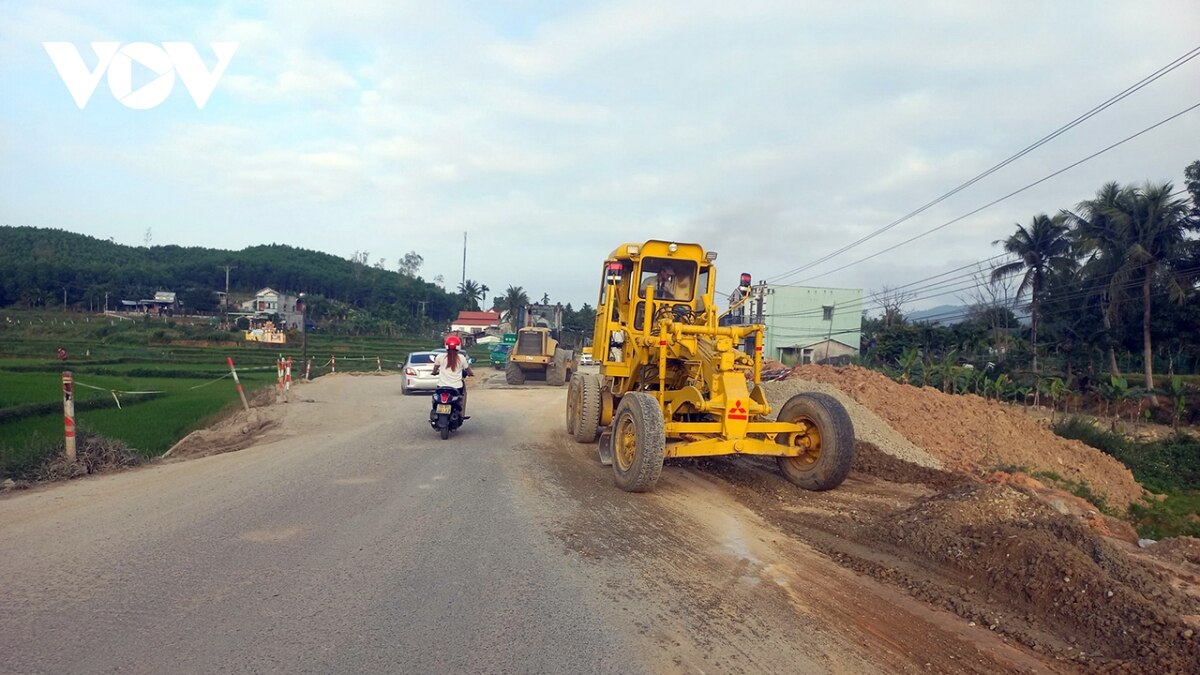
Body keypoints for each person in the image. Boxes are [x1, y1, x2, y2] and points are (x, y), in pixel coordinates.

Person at [431, 335, 473, 418]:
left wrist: (434, 373)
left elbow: (435, 369)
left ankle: (436, 412)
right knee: (460, 400)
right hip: (457, 387)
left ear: (446, 346)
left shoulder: (440, 357)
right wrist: (471, 374)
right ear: (459, 346)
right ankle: (460, 414)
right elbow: (468, 370)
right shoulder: (462, 358)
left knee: (436, 398)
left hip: (442, 386)